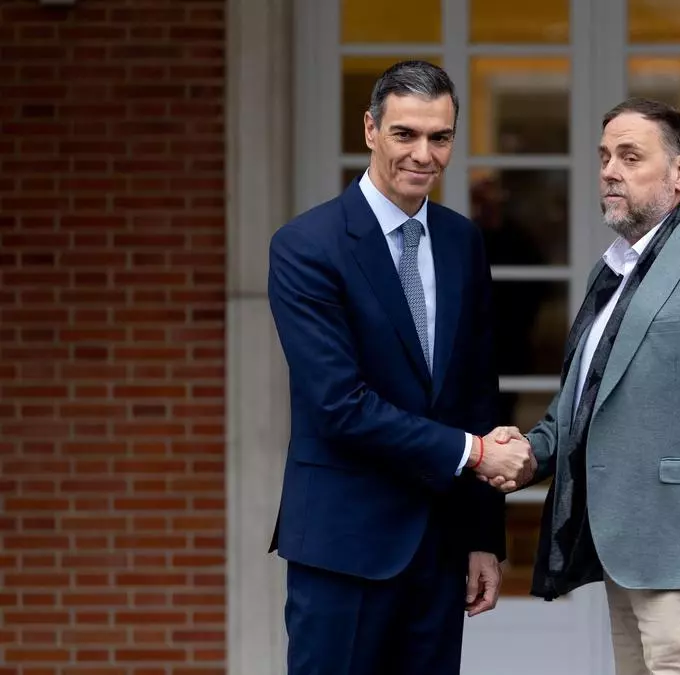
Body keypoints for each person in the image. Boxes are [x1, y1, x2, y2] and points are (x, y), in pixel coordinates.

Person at [482, 97, 680, 674]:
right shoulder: (612, 269)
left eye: (630, 157)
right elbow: (583, 404)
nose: (610, 170)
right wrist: (529, 453)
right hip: (626, 558)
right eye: (605, 156)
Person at [266, 60, 535, 675]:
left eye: (440, 137)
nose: (423, 154)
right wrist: (474, 453)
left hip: (439, 549)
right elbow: (339, 405)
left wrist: (482, 537)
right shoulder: (307, 245)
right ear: (370, 129)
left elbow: (476, 391)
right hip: (344, 547)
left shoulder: (462, 241)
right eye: (405, 134)